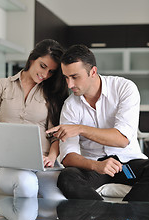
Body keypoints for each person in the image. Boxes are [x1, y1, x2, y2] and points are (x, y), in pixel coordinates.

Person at [46, 44, 149, 202]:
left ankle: (126, 214)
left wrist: (80, 129)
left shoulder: (124, 88)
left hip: (128, 162)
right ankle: (102, 215)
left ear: (93, 72)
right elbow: (67, 157)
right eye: (66, 77)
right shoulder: (70, 105)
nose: (69, 85)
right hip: (93, 166)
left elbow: (121, 139)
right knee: (67, 177)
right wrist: (96, 166)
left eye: (74, 77)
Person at [0, 39, 68, 199]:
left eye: (51, 72)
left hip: (42, 164)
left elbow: (55, 134)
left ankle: (10, 212)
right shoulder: (2, 86)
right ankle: (3, 208)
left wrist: (51, 157)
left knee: (58, 201)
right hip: (8, 164)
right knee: (26, 183)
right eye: (43, 66)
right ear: (32, 58)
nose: (45, 74)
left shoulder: (51, 93)